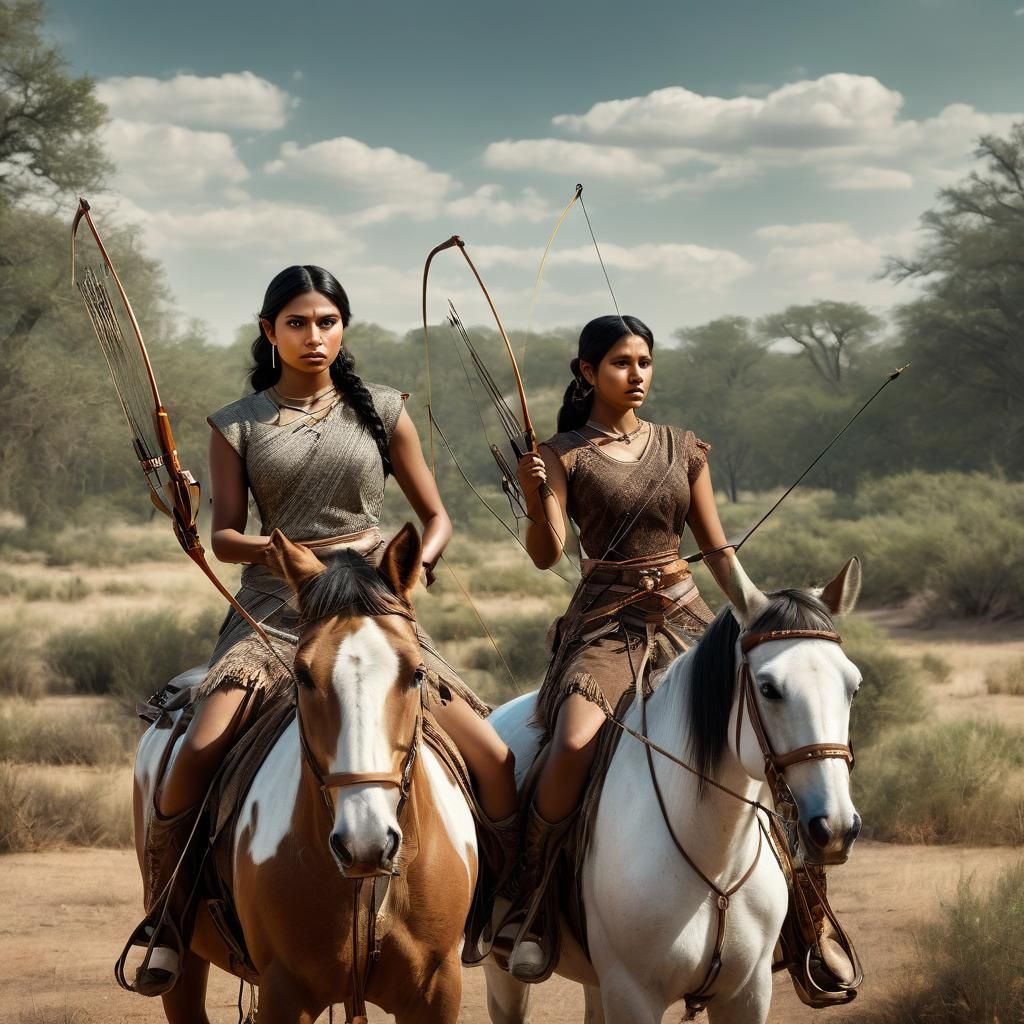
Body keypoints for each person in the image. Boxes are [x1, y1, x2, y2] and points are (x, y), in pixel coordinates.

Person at [128, 265, 517, 998]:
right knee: (195, 752)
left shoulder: (385, 410)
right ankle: (167, 921)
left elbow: (436, 518)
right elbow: (226, 537)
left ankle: (506, 909)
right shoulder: (237, 422)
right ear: (269, 331)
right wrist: (292, 555)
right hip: (276, 612)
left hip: (375, 610)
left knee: (494, 758)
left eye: (328, 322)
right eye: (298, 323)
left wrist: (413, 568)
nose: (315, 336)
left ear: (344, 329)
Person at [499, 314, 856, 998]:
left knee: (771, 740)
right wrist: (535, 493)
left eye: (644, 362)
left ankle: (808, 925)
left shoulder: (681, 447)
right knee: (571, 743)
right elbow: (546, 554)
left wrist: (754, 609)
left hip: (689, 617)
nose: (635, 375)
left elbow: (716, 548)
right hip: (604, 627)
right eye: (620, 363)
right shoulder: (562, 454)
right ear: (587, 373)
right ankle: (532, 900)